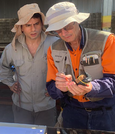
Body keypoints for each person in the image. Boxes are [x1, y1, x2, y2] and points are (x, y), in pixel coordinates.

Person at [45, 2, 115, 131]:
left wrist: (92, 87)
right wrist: (60, 87)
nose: (63, 33)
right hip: (72, 113)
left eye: (67, 26)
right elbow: (51, 88)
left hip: (104, 113)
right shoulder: (53, 50)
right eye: (58, 30)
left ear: (77, 21)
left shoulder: (106, 41)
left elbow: (113, 81)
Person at [0, 3, 58, 126]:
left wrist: (57, 86)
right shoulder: (12, 48)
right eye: (28, 25)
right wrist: (10, 83)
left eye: (36, 24)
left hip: (46, 105)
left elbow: (67, 68)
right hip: (22, 107)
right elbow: (2, 67)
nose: (33, 29)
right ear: (21, 28)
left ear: (41, 24)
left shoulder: (55, 44)